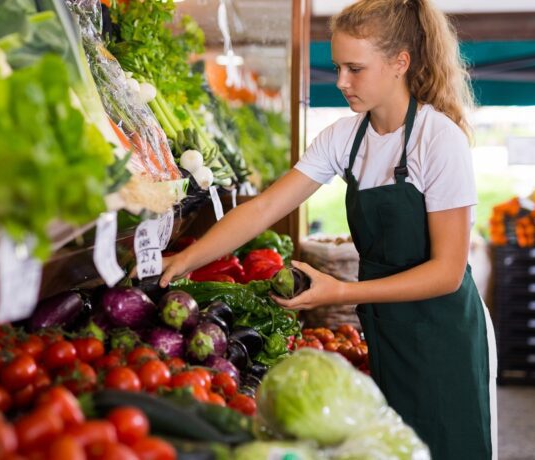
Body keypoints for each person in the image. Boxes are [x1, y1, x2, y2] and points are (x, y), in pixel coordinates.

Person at [159, 0, 497, 458]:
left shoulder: (438, 141)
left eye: (355, 69)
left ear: (400, 62)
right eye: (337, 67)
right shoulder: (344, 137)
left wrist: (339, 292)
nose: (340, 82)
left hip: (442, 333)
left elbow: (447, 272)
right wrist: (184, 260)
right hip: (384, 325)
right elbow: (265, 208)